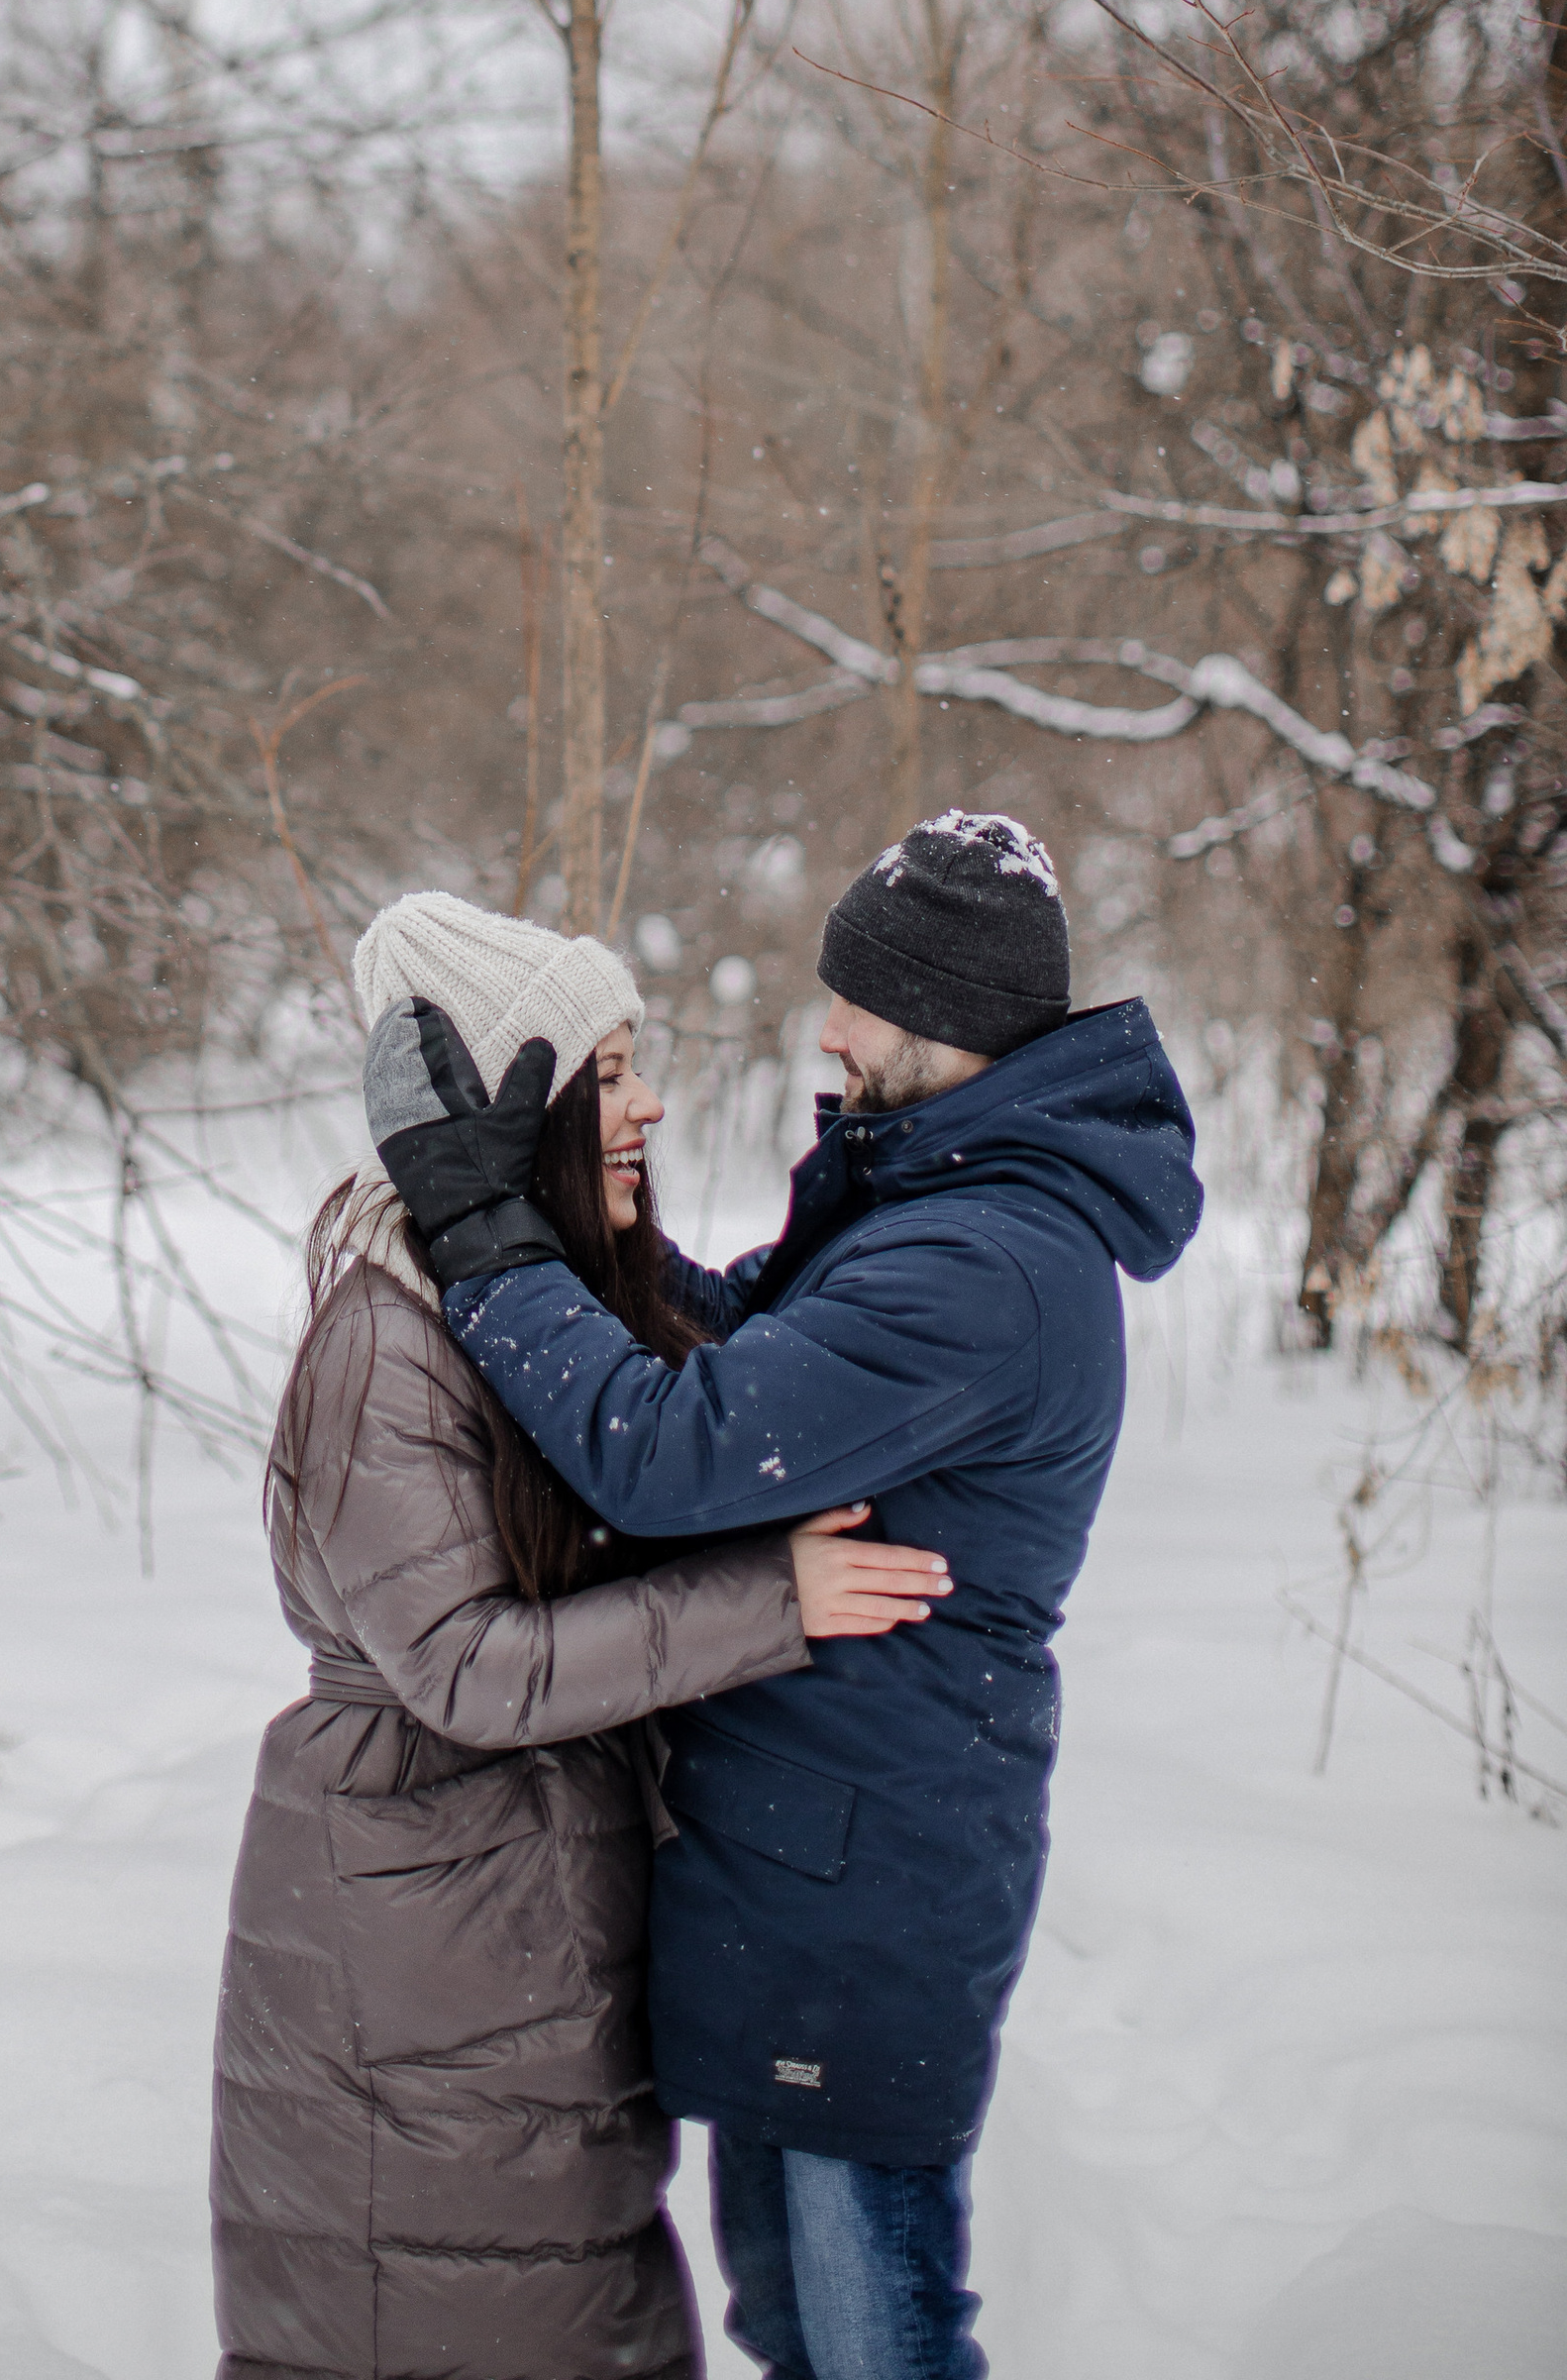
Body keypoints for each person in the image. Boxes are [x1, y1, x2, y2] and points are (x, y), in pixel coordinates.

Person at [373, 811, 1204, 2380]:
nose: (828, 1030)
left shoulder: (987, 1264)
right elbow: (741, 1339)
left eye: (861, 1001)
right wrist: (565, 1207)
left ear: (948, 1023)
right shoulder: (935, 1195)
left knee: (874, 2337)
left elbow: (670, 1450)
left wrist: (486, 1240)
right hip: (805, 1866)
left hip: (870, 1879)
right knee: (793, 2328)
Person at [211, 890, 955, 2380]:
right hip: (415, 1967)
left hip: (519, 1962)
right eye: (609, 1073)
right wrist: (770, 1604)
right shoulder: (387, 1338)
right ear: (517, 1111)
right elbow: (465, 1667)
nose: (652, 1105)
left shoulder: (527, 1316)